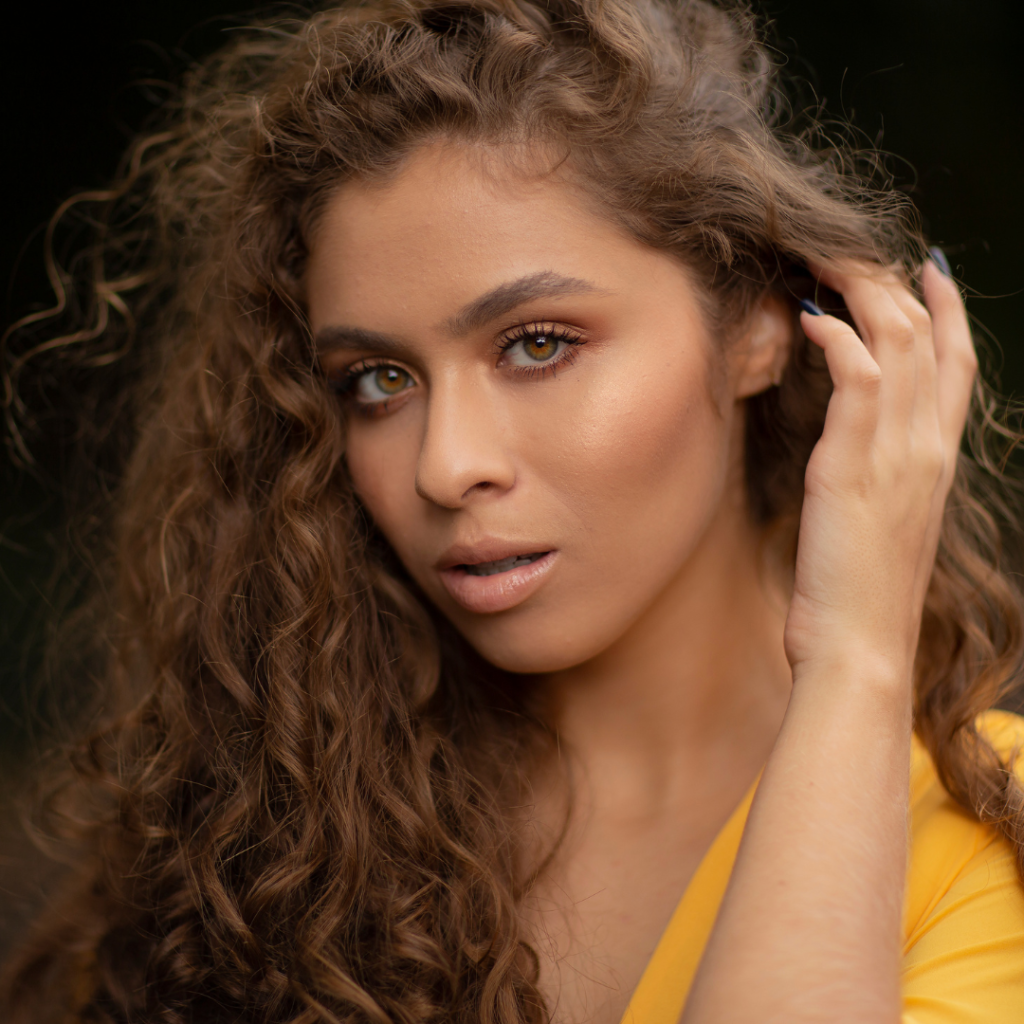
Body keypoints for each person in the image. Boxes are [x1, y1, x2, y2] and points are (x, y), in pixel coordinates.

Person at [2, 0, 1023, 1021]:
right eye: (377, 380)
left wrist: (854, 658)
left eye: (537, 343)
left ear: (759, 324)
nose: (444, 466)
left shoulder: (990, 824)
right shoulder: (279, 836)